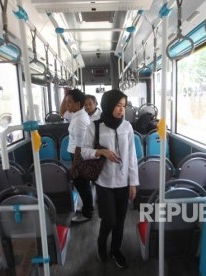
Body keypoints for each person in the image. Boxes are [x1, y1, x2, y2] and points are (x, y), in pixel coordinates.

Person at [81, 89, 139, 268]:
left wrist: (133, 183)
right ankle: (101, 243)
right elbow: (84, 151)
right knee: (109, 220)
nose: (122, 110)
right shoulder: (95, 126)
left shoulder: (127, 127)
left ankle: (115, 250)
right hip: (104, 182)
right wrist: (101, 151)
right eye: (118, 105)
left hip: (123, 182)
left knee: (120, 221)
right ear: (108, 105)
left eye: (124, 106)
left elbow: (132, 156)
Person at [65, 89, 94, 223]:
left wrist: (75, 166)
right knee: (83, 184)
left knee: (82, 184)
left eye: (69, 102)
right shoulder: (77, 115)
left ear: (77, 103)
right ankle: (87, 208)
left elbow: (79, 146)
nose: (67, 105)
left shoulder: (79, 120)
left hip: (79, 157)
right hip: (77, 156)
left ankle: (87, 212)